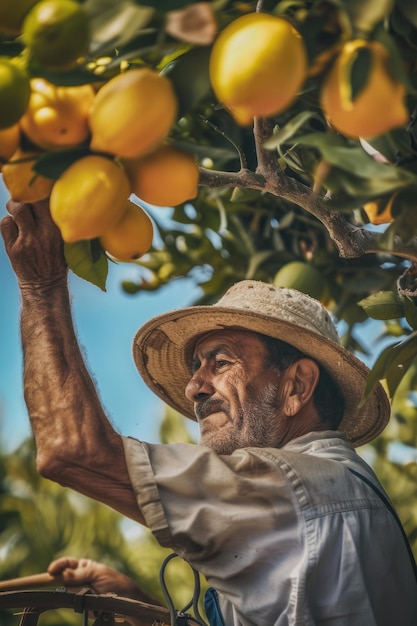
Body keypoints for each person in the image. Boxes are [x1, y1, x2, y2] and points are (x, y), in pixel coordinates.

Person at [1, 198, 417, 626]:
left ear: (296, 387)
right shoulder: (327, 485)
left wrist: (42, 288)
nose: (194, 386)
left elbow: (71, 451)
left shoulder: (297, 484)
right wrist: (139, 605)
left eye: (220, 362)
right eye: (197, 366)